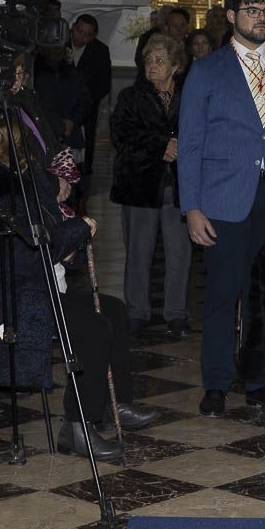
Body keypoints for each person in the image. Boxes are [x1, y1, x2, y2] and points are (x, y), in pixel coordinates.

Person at [0, 119, 160, 459]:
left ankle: (115, 403)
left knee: (112, 310)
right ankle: (77, 426)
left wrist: (71, 243)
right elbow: (28, 254)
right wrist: (75, 231)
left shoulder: (18, 184)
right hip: (6, 304)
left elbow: (43, 245)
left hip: (30, 289)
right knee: (92, 328)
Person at [178, 0, 265, 417]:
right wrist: (191, 207)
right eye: (251, 10)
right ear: (232, 16)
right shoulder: (207, 70)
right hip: (223, 199)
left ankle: (263, 382)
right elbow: (191, 142)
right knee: (222, 293)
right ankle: (216, 382)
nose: (260, 17)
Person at [112, 34, 192, 336]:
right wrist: (162, 145)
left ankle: (176, 313)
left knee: (179, 253)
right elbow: (122, 135)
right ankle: (136, 312)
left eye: (160, 60)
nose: (153, 66)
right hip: (139, 184)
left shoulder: (190, 94)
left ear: (175, 66)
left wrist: (180, 145)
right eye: (149, 60)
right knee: (138, 251)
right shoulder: (131, 97)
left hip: (180, 185)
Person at [71, 14, 112, 179]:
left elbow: (103, 83)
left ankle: (83, 177)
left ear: (94, 36)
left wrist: (88, 102)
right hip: (58, 103)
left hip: (86, 106)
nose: (80, 37)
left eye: (86, 34)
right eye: (79, 31)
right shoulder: (57, 43)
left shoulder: (100, 51)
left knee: (85, 142)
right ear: (73, 27)